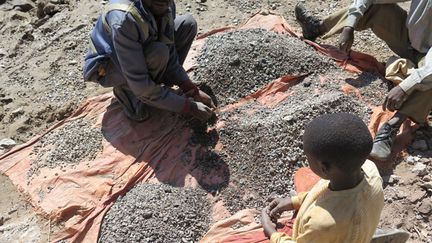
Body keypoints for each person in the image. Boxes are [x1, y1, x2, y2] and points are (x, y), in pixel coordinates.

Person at [295, 1, 432, 161]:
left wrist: (405, 87)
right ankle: (316, 28)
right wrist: (349, 26)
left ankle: (391, 127)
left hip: (428, 59)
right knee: (377, 8)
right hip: (411, 40)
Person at [261, 113, 386, 242]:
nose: (306, 160)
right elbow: (324, 194)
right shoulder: (371, 171)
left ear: (324, 168)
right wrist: (295, 201)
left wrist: (272, 232)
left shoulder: (321, 224)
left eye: (308, 158)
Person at [83, 0, 215, 122]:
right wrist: (188, 107)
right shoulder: (124, 19)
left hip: (141, 47)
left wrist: (190, 89)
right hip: (109, 66)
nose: (164, 3)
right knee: (158, 53)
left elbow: (170, 50)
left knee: (187, 24)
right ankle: (129, 95)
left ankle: (158, 88)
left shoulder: (165, 4)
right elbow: (140, 81)